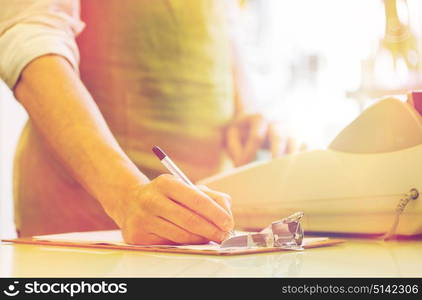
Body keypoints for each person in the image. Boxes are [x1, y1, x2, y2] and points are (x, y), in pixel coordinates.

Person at [0, 0, 293, 244]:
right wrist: (124, 195)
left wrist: (247, 111)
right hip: (87, 214)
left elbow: (223, 24)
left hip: (206, 223)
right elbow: (29, 36)